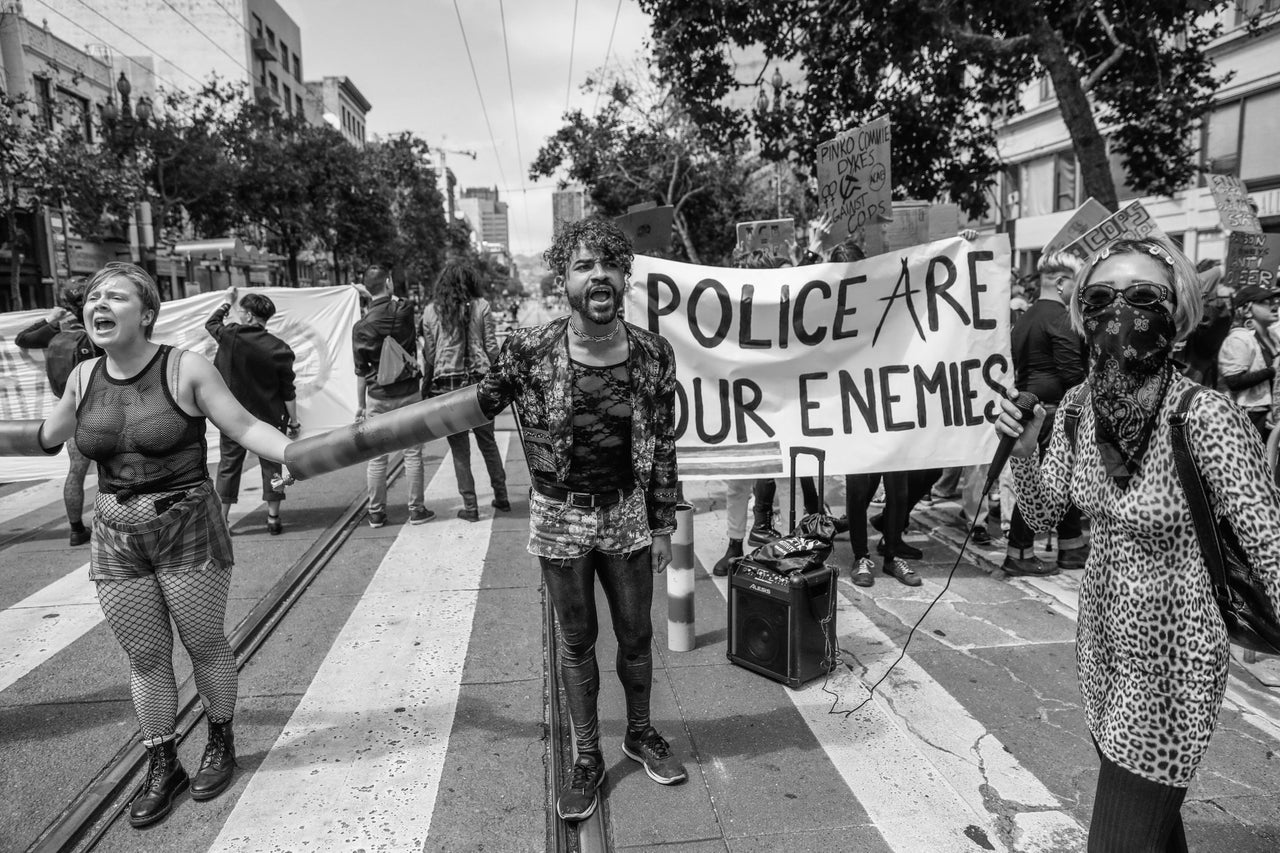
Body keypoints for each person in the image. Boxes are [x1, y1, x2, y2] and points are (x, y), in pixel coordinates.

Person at [996, 237, 1280, 852]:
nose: (1119, 312)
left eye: (1142, 295)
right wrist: (1023, 453)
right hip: (1101, 648)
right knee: (1152, 834)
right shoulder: (1075, 408)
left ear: (1175, 312)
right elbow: (1046, 511)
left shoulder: (1203, 416)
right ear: (1081, 314)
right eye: (1100, 298)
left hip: (1174, 663)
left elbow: (1272, 551)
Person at [13, 263, 295, 827]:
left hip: (186, 523)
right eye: (94, 296)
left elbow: (242, 425)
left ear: (145, 313)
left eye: (115, 296)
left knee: (204, 644)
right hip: (116, 531)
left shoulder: (186, 366)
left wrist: (292, 456)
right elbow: (46, 436)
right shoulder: (81, 376)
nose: (100, 304)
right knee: (144, 659)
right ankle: (162, 762)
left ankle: (220, 740)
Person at [476, 217, 686, 822]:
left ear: (625, 277)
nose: (598, 275)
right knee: (576, 642)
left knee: (637, 636)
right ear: (564, 280)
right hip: (560, 517)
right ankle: (587, 755)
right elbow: (479, 404)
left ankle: (640, 732)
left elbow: (664, 444)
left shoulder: (652, 353)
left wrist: (664, 524)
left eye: (608, 265)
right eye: (582, 266)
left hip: (625, 514)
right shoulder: (531, 348)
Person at [1002, 251, 1090, 576]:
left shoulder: (1025, 317)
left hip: (1031, 409)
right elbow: (1072, 375)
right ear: (1061, 282)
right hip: (1051, 414)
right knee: (1038, 484)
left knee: (1056, 482)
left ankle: (1071, 546)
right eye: (1077, 285)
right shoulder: (1061, 318)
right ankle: (1019, 553)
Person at [205, 288, 299, 534]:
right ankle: (273, 518)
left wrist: (227, 302)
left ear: (247, 315)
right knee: (273, 467)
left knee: (229, 466)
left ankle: (223, 521)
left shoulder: (230, 335)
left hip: (232, 416)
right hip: (269, 418)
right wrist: (295, 422)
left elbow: (211, 322)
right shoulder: (280, 348)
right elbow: (288, 391)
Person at [419, 262, 509, 521]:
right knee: (488, 443)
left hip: (447, 387)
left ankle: (470, 508)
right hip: (479, 384)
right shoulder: (481, 306)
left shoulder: (430, 311)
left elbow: (431, 354)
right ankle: (501, 497)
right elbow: (491, 347)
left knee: (460, 450)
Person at [15, 279, 98, 545]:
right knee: (117, 466)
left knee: (76, 470)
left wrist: (50, 320)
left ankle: (76, 530)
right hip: (102, 408)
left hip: (69, 411)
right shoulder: (98, 331)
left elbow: (23, 339)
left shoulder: (57, 333)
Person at [352, 264, 433, 528]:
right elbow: (397, 300)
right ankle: (417, 510)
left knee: (377, 457)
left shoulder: (361, 326)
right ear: (389, 282)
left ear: (367, 289)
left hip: (378, 396)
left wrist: (361, 406)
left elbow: (361, 372)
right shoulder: (405, 310)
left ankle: (376, 513)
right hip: (409, 392)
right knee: (412, 454)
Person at [1216, 283, 1280, 441]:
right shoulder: (1239, 339)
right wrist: (1272, 370)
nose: (1273, 305)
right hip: (1249, 415)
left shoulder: (1273, 336)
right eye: (1264, 302)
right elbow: (1234, 381)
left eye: (1274, 301)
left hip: (1271, 414)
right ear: (1247, 309)